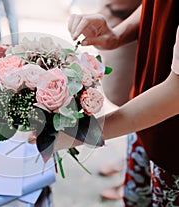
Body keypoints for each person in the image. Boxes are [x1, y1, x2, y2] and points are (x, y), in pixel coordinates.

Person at [45, 1, 179, 206]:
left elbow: (174, 95)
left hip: (172, 142)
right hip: (145, 116)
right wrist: (117, 35)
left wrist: (75, 134)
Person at [96, 0, 143, 202]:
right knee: (128, 96)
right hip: (125, 16)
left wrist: (82, 133)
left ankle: (133, 171)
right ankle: (131, 163)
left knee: (138, 101)